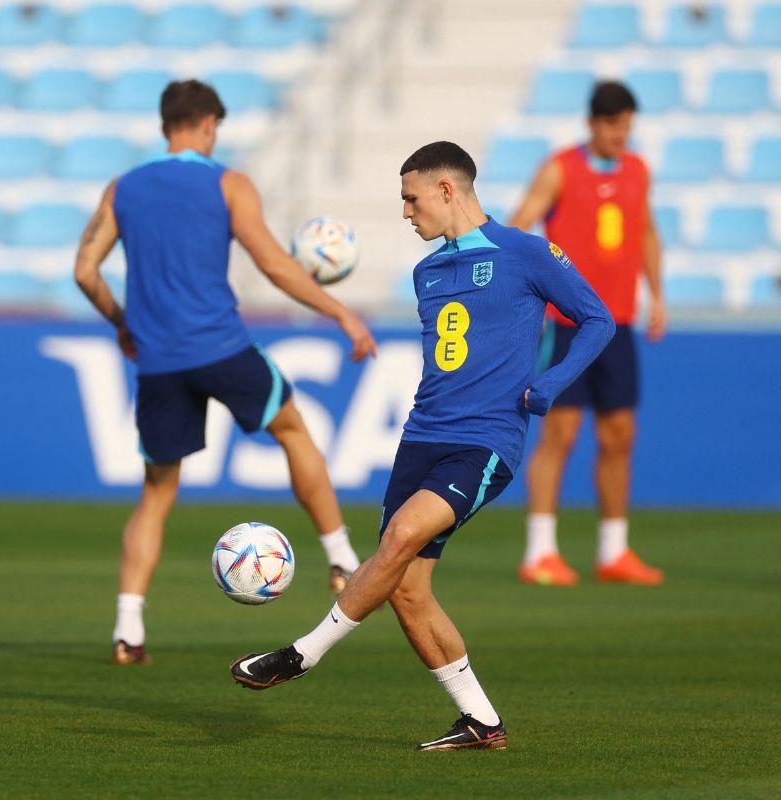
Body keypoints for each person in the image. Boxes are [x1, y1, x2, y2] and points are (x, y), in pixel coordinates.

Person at [228, 142, 615, 751]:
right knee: (407, 588)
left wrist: (550, 384)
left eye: (411, 198)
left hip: (486, 441)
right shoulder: (426, 272)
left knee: (401, 539)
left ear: (446, 190)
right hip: (422, 435)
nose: (406, 212)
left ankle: (300, 655)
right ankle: (481, 722)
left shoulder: (526, 253)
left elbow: (598, 319)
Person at [74, 79, 378, 665]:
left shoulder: (123, 189)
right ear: (210, 124)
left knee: (157, 492)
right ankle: (340, 557)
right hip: (219, 347)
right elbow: (272, 264)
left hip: (160, 361)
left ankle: (128, 629)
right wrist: (341, 312)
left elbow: (86, 270)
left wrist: (122, 323)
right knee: (292, 429)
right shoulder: (227, 183)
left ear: (167, 125)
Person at [511, 81, 666, 586]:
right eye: (614, 125)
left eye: (627, 126)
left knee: (621, 435)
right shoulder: (560, 169)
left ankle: (614, 551)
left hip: (618, 322)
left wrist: (657, 296)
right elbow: (520, 226)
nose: (621, 135)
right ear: (594, 123)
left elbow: (645, 231)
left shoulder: (639, 171)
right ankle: (540, 551)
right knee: (561, 434)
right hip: (568, 323)